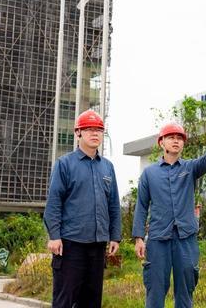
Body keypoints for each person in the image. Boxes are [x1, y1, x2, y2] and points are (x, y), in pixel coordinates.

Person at [132, 122, 206, 308]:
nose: (176, 141)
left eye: (179, 138)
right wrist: (138, 238)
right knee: (155, 287)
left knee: (186, 285)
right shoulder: (149, 174)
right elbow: (142, 206)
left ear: (183, 144)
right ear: (162, 143)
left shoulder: (190, 168)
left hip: (186, 237)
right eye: (171, 138)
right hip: (159, 238)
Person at [44, 109, 122, 308]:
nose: (95, 134)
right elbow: (54, 203)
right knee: (65, 299)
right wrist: (54, 235)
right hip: (70, 244)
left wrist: (114, 236)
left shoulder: (107, 167)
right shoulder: (64, 164)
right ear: (77, 133)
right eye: (89, 129)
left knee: (92, 300)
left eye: (99, 130)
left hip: (97, 245)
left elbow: (113, 204)